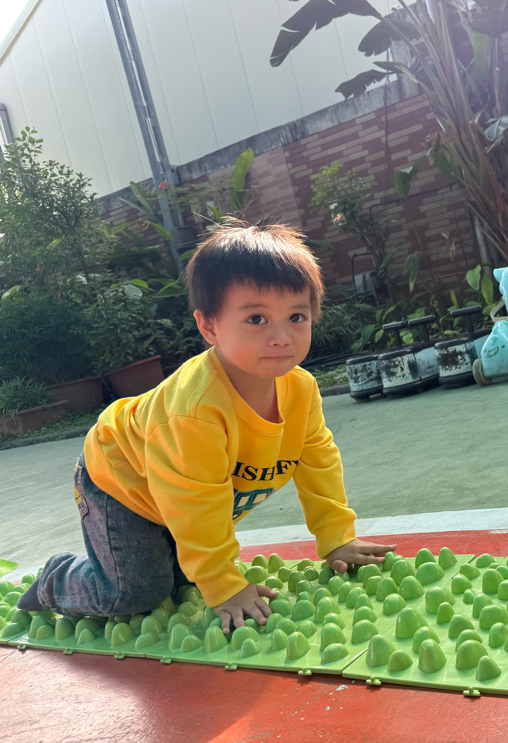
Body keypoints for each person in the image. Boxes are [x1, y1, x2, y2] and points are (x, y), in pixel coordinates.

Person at [18, 220, 394, 633]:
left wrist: (337, 538)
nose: (282, 336)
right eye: (256, 318)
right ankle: (55, 579)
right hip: (121, 479)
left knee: (182, 580)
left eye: (296, 316)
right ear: (209, 326)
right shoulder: (196, 410)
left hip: (176, 491)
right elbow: (194, 501)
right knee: (136, 593)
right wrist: (224, 586)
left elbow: (318, 464)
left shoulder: (301, 389)